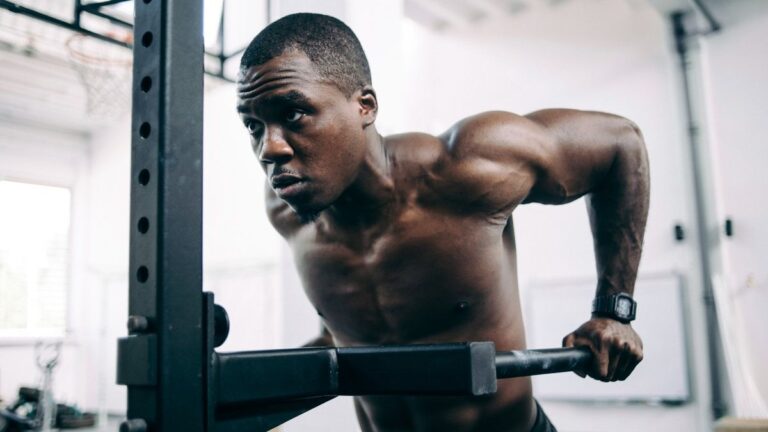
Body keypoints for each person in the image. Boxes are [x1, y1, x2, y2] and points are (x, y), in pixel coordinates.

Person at [236, 12, 648, 432]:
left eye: (294, 114)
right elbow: (354, 329)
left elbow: (620, 143)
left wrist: (614, 312)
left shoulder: (465, 168)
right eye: (253, 125)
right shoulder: (287, 213)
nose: (269, 148)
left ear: (365, 106)